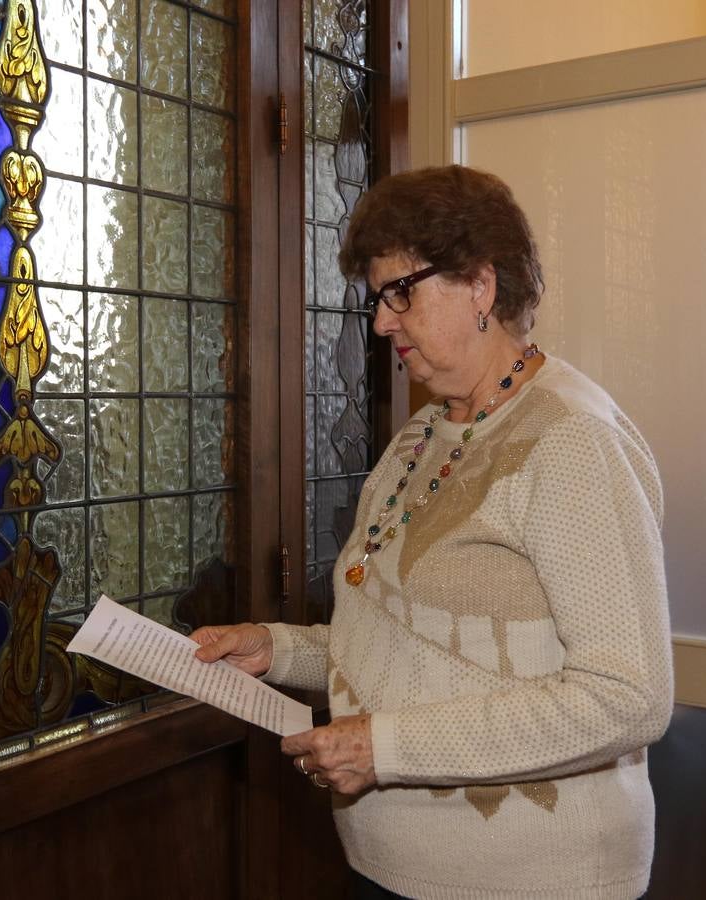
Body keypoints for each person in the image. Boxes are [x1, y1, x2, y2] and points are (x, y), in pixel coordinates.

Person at [191, 165, 672, 899]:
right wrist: (275, 649)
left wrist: (382, 748)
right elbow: (408, 644)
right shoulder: (421, 436)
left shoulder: (570, 439)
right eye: (376, 299)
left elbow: (627, 697)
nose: (382, 322)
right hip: (394, 866)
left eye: (400, 292)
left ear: (479, 285)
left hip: (528, 880)